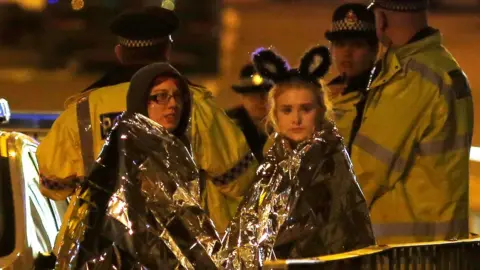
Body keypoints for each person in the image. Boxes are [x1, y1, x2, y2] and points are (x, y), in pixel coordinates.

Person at [37, 6, 258, 245]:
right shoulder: (194, 105)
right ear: (167, 51)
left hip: (104, 247)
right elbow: (240, 180)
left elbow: (53, 185)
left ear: (119, 53)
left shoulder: (82, 111)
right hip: (184, 250)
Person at [216, 46, 375, 269]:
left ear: (321, 111)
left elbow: (344, 237)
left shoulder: (329, 162)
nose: (296, 119)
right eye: (287, 110)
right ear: (275, 115)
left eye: (306, 109)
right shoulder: (272, 165)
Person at [347, 0, 473, 244]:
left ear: (381, 20)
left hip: (404, 252)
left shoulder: (411, 78)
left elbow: (365, 172)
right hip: (435, 247)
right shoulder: (443, 67)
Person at [324, 3, 378, 152]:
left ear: (374, 50)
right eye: (340, 44)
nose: (347, 52)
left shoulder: (380, 98)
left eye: (357, 45)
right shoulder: (324, 95)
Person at [227, 63, 273, 162]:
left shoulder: (285, 126)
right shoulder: (228, 126)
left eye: (265, 94)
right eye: (253, 95)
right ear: (242, 98)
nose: (260, 101)